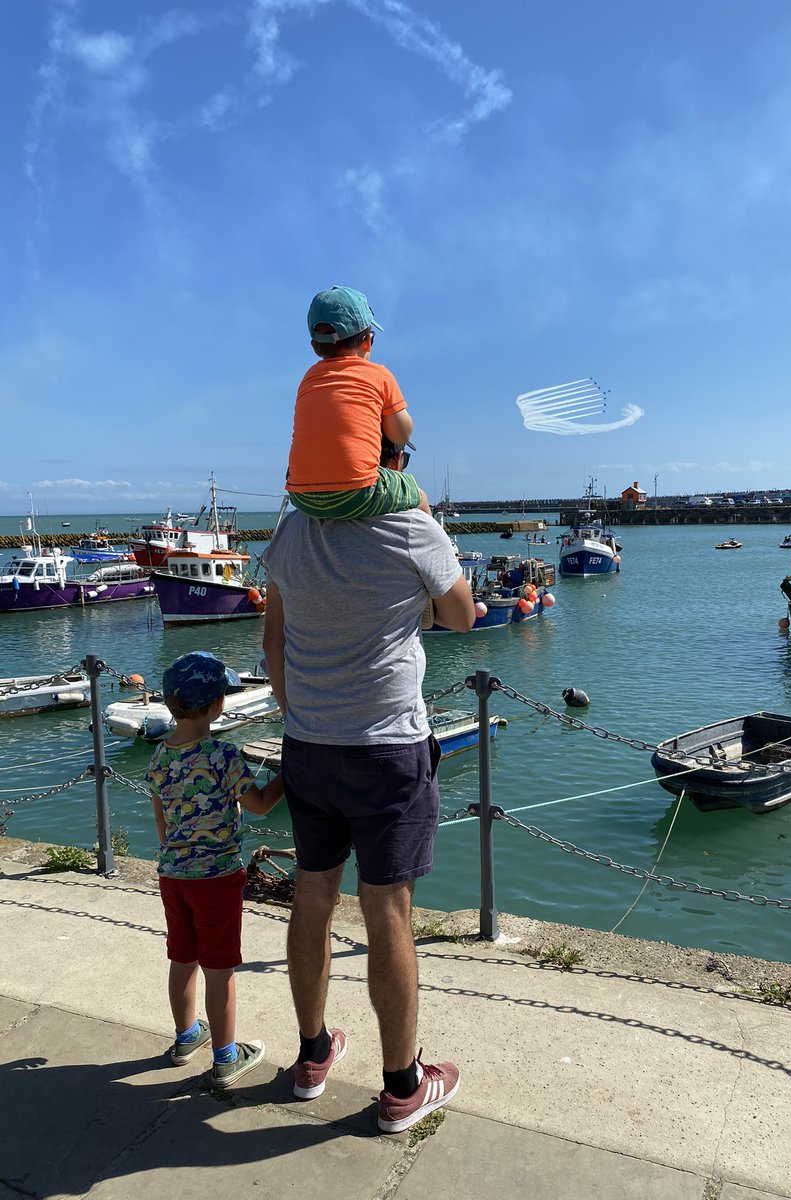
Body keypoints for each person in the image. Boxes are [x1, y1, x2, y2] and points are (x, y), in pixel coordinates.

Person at [262, 442, 475, 1132]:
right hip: (387, 748)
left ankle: (313, 1055)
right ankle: (401, 1086)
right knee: (387, 910)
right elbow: (461, 616)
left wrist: (299, 714)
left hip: (309, 745)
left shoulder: (293, 527)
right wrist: (424, 513)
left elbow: (274, 640)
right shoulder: (411, 524)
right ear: (392, 460)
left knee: (312, 893)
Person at [147, 651, 284, 1087]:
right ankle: (226, 1057)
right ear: (217, 704)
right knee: (220, 969)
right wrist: (292, 773)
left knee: (181, 957)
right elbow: (260, 806)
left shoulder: (159, 758)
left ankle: (186, 1036)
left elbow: (162, 823)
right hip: (218, 878)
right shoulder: (223, 755)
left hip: (173, 875)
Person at [285, 285, 430, 519]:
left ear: (314, 347)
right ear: (368, 342)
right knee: (419, 496)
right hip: (357, 494)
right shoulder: (380, 375)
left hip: (301, 497)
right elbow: (401, 434)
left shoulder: (308, 379)